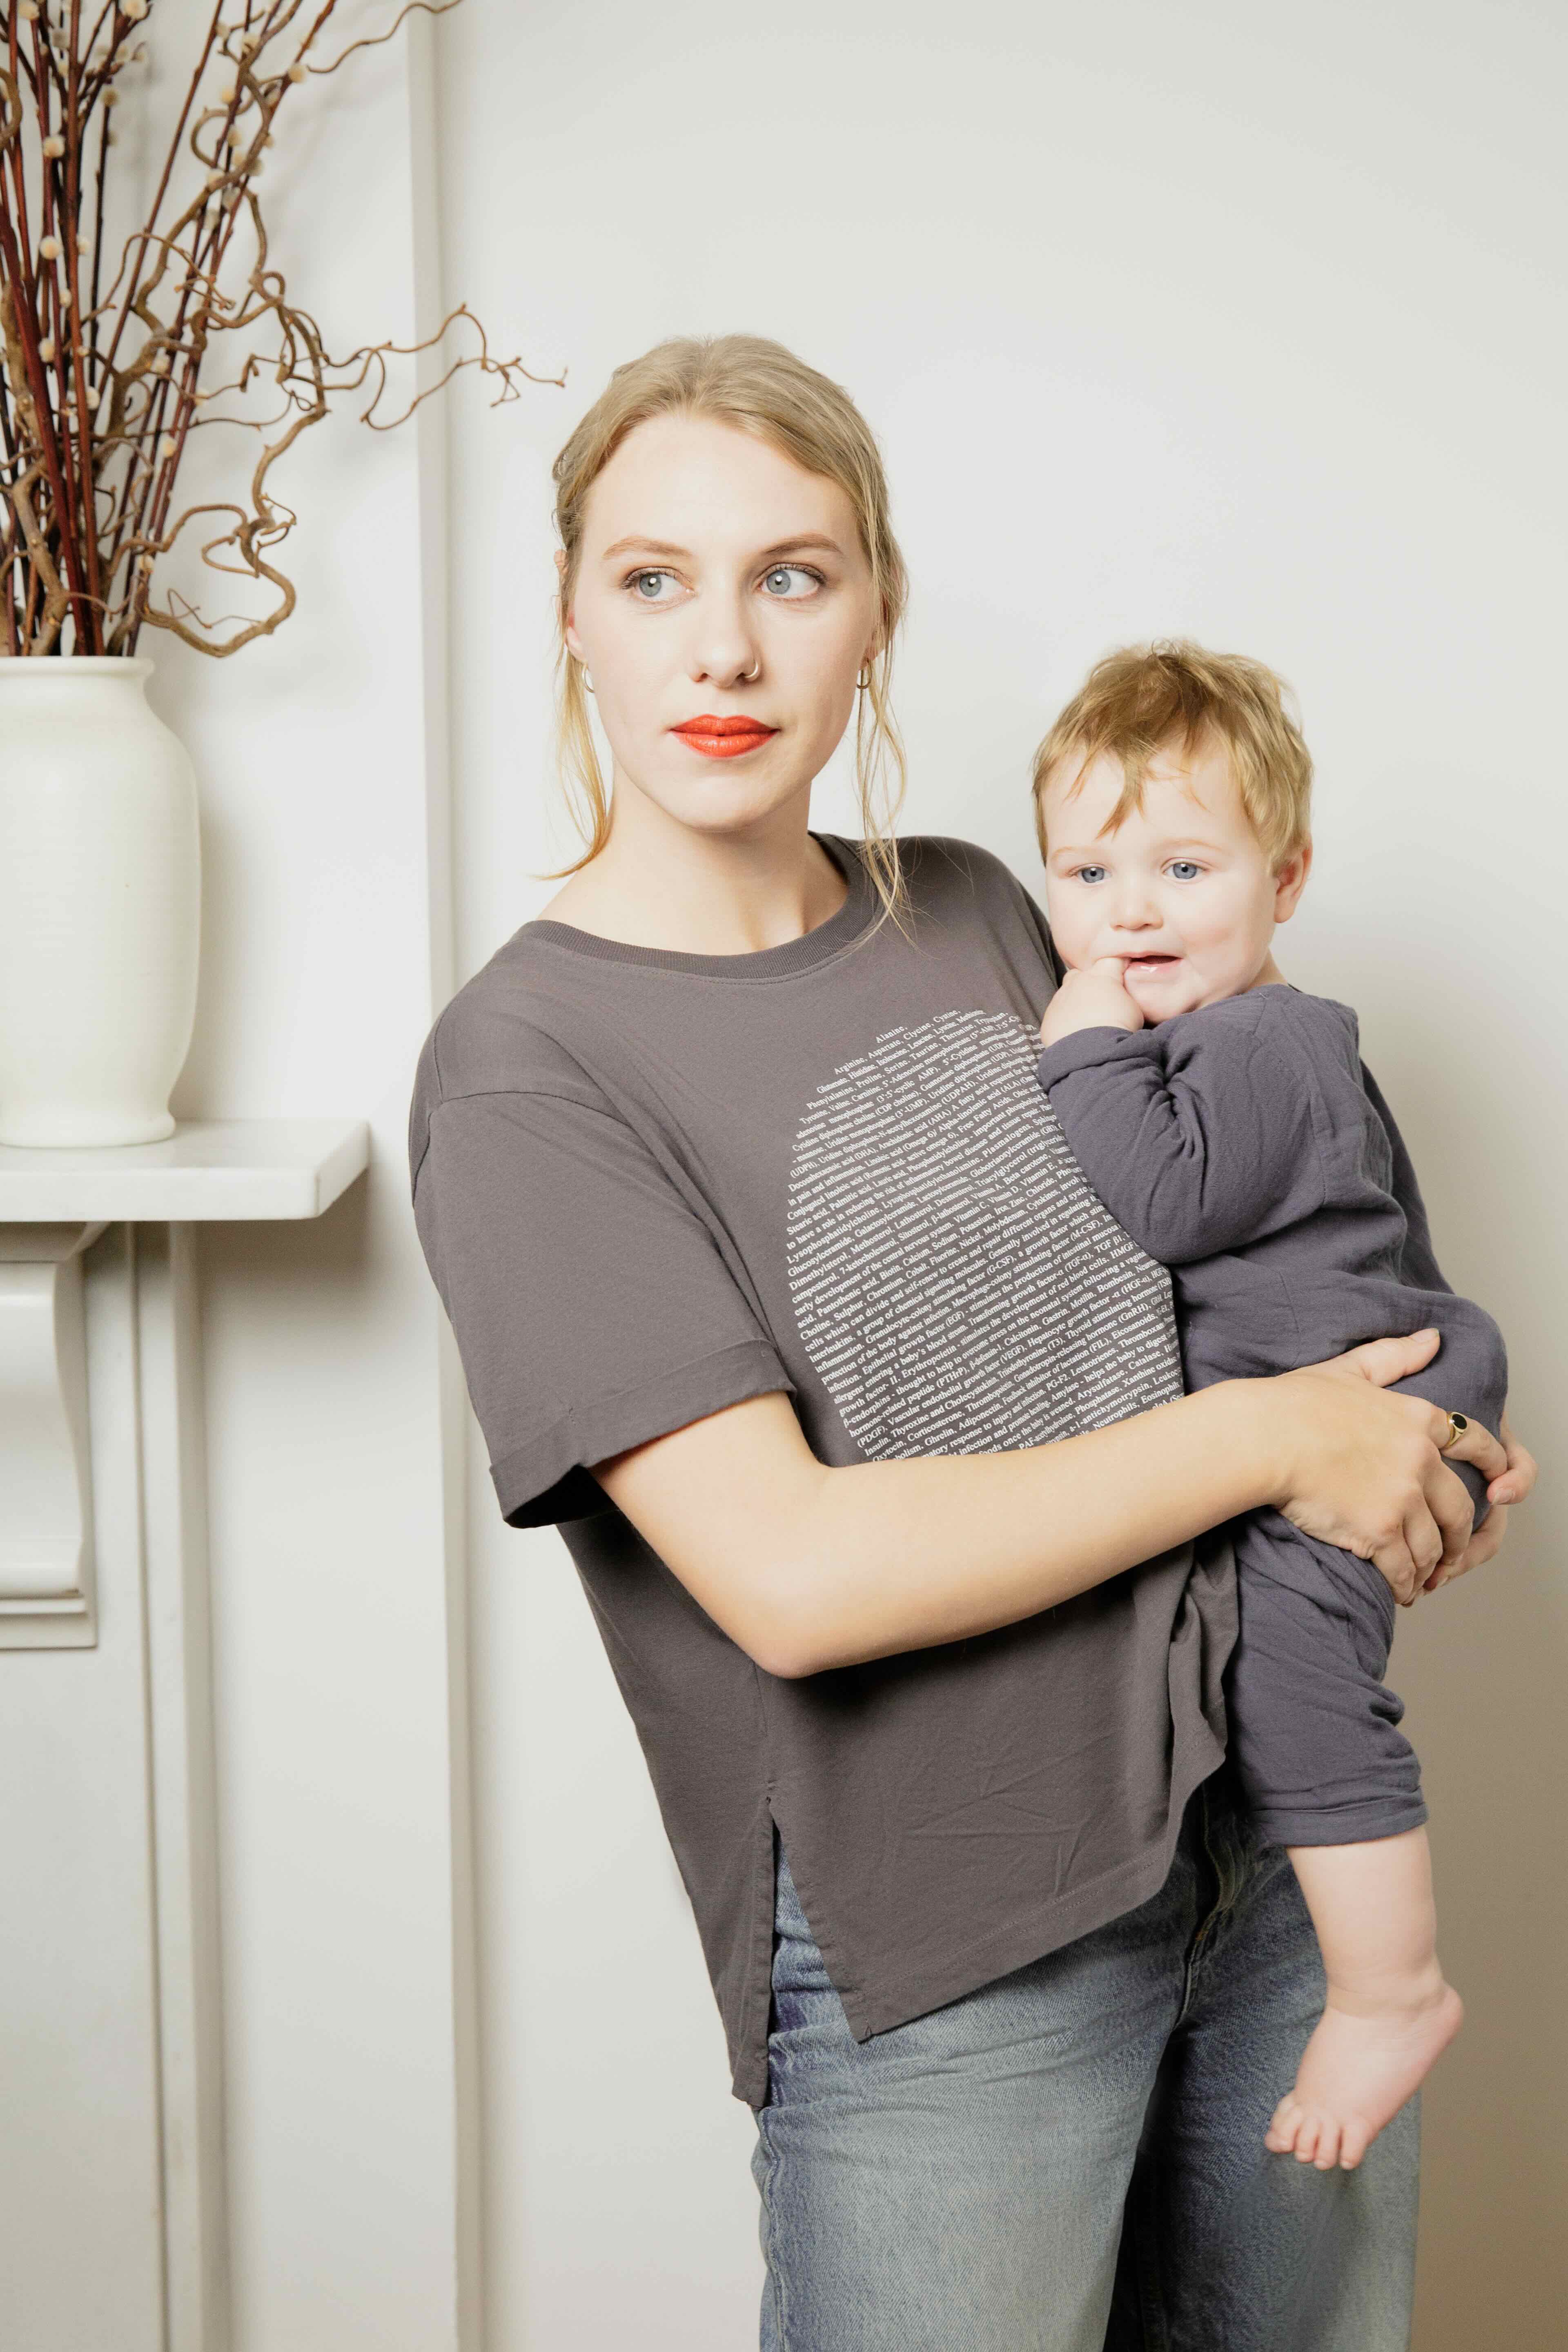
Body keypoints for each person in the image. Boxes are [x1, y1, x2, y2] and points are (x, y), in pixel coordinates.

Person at [406, 334, 1534, 2350]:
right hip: (951, 1955)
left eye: (795, 575)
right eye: (653, 579)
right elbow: (797, 1578)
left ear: (877, 619)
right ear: (572, 617)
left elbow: (1240, 1248)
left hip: (1264, 1861)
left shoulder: (993, 911)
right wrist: (1285, 1444)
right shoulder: (529, 1069)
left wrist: (1410, 1432)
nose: (723, 651)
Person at [1033, 641, 1509, 2176]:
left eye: (1185, 864)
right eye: (1089, 869)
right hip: (1371, 1381)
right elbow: (1386, 1220)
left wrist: (1080, 1054)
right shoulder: (1257, 1041)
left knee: (1297, 1691)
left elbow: (1168, 1206)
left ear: (1287, 876)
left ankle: (1392, 1989)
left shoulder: (1262, 1037)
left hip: (1355, 1401)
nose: (1133, 911)